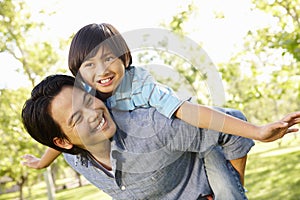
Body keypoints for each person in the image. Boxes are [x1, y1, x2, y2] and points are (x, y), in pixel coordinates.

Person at [24, 23, 253, 186]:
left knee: (227, 189)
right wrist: (42, 163)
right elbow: (63, 127)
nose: (102, 70)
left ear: (124, 58)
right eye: (90, 64)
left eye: (109, 58)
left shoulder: (145, 93)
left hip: (196, 139)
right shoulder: (85, 96)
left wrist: (259, 133)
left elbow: (186, 111)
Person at [22, 75, 300, 199]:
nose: (93, 113)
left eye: (87, 100)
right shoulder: (76, 158)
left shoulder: (151, 128)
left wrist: (230, 189)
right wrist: (42, 163)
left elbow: (233, 123)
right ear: (63, 142)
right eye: (77, 118)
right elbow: (56, 146)